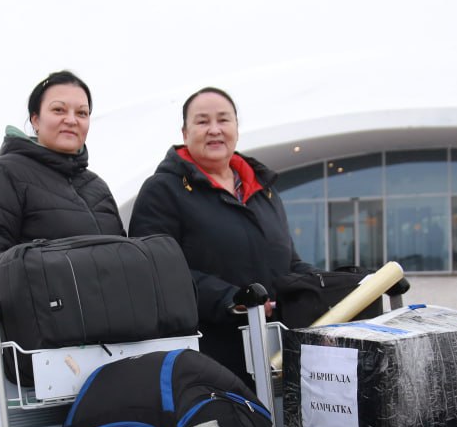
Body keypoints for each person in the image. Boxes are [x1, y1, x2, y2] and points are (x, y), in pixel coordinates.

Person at [129, 86, 318, 381]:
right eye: (202, 121)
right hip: (207, 359)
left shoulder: (264, 192)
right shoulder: (162, 191)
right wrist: (233, 299)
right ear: (184, 132)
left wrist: (325, 283)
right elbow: (155, 273)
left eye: (224, 120)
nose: (214, 129)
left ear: (237, 129)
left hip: (275, 355)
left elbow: (288, 264)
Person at [0, 70, 125, 296]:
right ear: (35, 119)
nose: (71, 120)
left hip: (113, 324)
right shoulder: (6, 174)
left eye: (82, 113)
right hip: (50, 325)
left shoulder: (97, 187)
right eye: (58, 109)